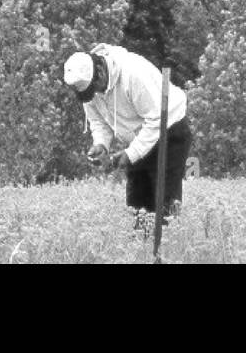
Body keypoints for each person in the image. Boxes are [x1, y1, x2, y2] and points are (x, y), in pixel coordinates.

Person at [62, 43, 192, 235]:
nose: (95, 93)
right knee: (137, 203)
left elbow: (156, 119)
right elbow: (98, 120)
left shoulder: (134, 74)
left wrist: (130, 154)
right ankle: (141, 249)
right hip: (138, 137)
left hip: (169, 130)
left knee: (164, 202)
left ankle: (168, 249)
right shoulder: (89, 88)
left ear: (100, 70)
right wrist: (101, 144)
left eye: (95, 88)